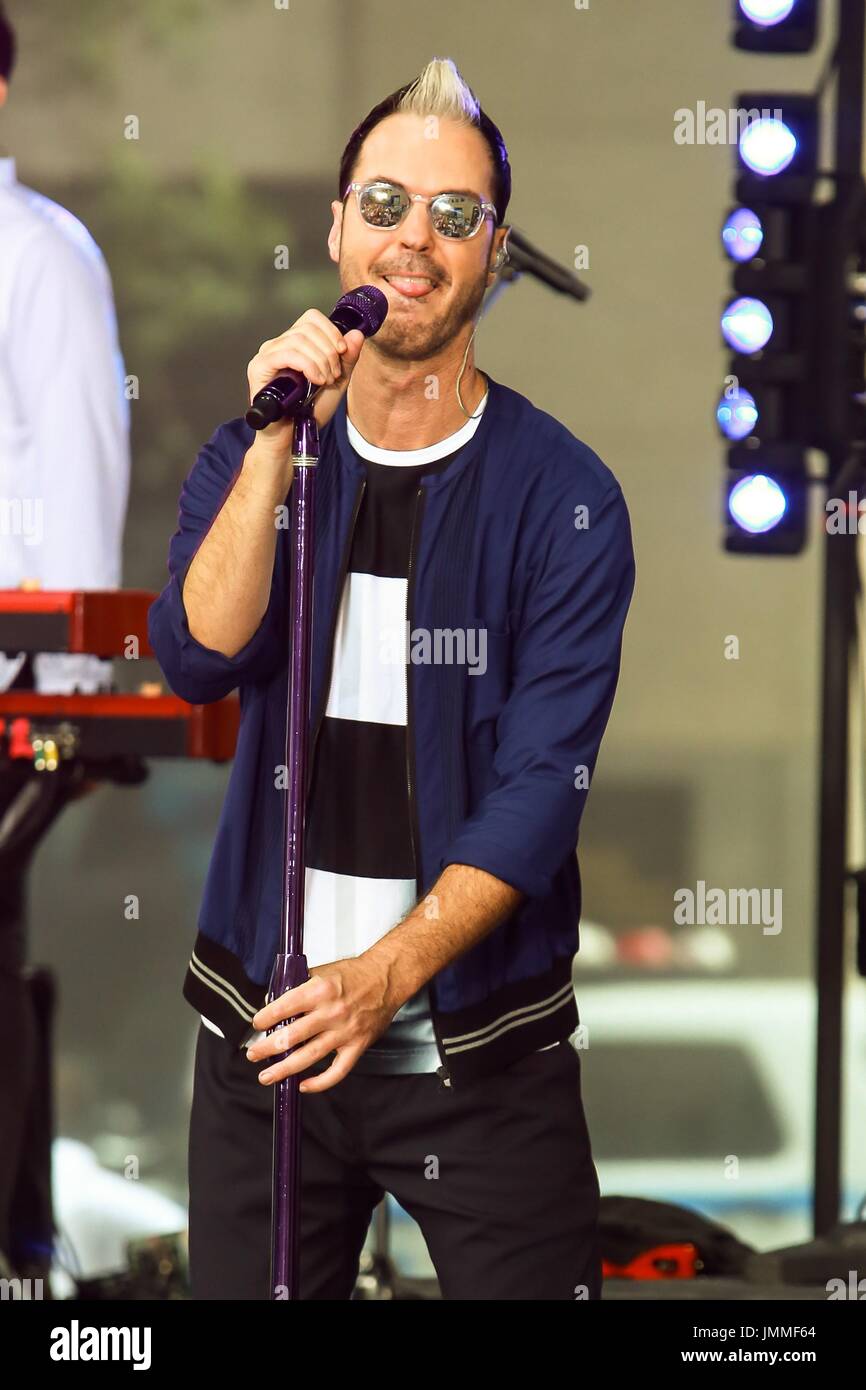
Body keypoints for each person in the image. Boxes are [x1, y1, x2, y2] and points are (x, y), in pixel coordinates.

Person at [149, 56, 635, 1301]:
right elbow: (198, 657)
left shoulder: (564, 500)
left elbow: (538, 792)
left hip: (478, 1055)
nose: (412, 240)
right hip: (269, 1051)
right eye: (383, 204)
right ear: (334, 226)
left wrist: (382, 978)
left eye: (452, 214)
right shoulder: (257, 450)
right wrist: (275, 440)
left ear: (494, 251)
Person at [0, 2, 130, 1278]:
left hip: (11, 676)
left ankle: (13, 1241)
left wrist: (74, 690)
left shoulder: (37, 251)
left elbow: (79, 464)